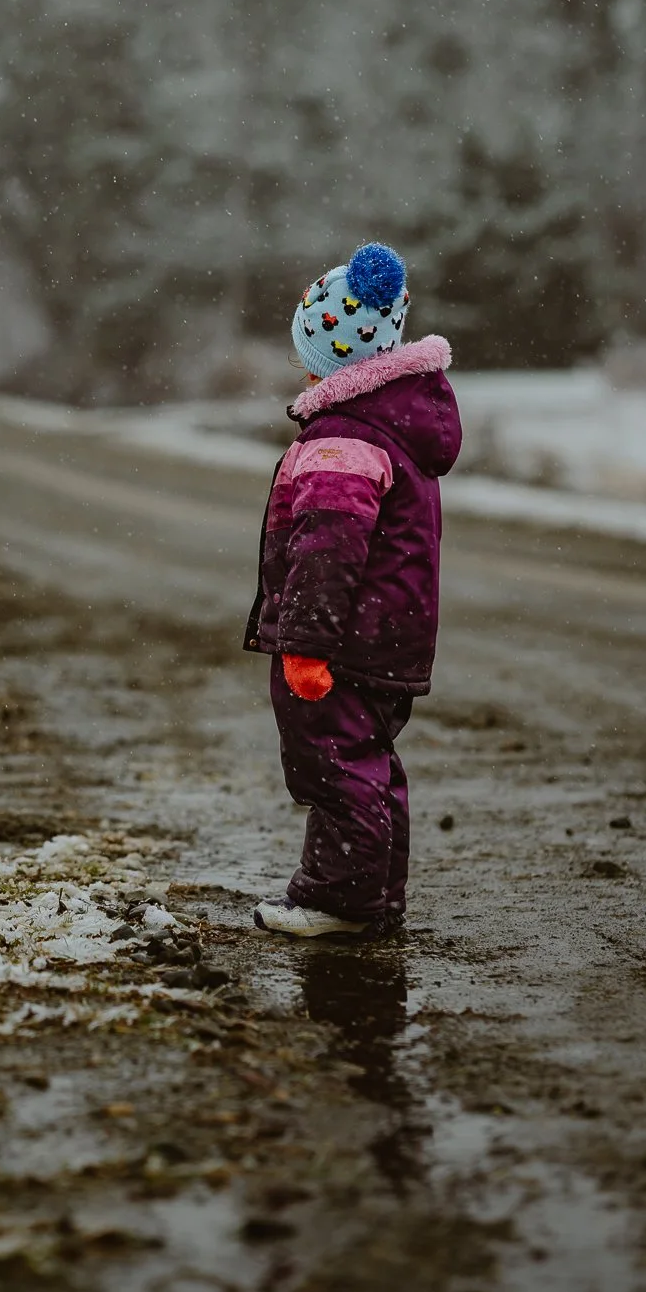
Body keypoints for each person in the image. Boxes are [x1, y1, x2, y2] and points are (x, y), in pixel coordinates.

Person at [244, 242, 461, 939]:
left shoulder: (341, 442)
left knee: (332, 764)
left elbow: (327, 552)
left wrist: (305, 645)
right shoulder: (388, 429)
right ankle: (371, 894)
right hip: (382, 632)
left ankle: (340, 899)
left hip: (342, 640)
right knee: (366, 760)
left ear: (331, 358)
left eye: (304, 349)